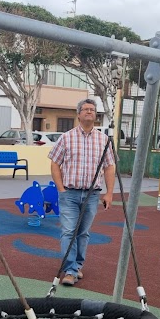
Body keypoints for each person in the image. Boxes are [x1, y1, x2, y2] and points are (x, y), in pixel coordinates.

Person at [48, 98, 116, 286]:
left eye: (92, 110)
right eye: (85, 109)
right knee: (69, 231)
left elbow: (110, 167)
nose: (89, 112)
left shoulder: (104, 140)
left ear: (96, 115)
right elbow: (55, 162)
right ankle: (69, 270)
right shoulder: (67, 137)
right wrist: (61, 188)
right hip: (69, 193)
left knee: (83, 233)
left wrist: (109, 193)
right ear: (78, 114)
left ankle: (77, 265)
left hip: (92, 194)